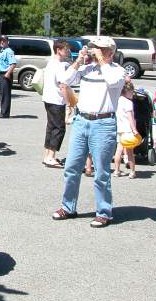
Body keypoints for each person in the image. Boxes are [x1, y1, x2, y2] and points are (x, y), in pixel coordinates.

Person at [52, 36, 125, 228]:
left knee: (101, 172)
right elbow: (64, 80)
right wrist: (79, 60)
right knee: (72, 168)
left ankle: (104, 212)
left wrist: (101, 60)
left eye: (100, 49)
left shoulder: (117, 71)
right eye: (95, 48)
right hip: (81, 121)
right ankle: (68, 207)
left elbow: (112, 81)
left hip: (103, 123)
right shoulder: (87, 69)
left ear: (110, 52)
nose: (96, 51)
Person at [42, 39, 71, 168]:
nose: (68, 51)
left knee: (51, 127)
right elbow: (62, 86)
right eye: (66, 49)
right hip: (56, 100)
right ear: (58, 50)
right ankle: (51, 157)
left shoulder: (51, 63)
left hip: (48, 98)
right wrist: (69, 103)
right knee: (59, 128)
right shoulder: (58, 65)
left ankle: (47, 155)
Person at [112, 81, 140, 179]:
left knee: (118, 150)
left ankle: (116, 170)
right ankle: (132, 172)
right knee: (130, 152)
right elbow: (130, 117)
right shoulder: (128, 102)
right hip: (128, 129)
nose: (132, 94)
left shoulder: (117, 100)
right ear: (127, 91)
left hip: (119, 129)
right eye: (132, 92)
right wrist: (134, 129)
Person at [0, 35, 16, 118]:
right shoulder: (2, 51)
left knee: (5, 94)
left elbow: (13, 64)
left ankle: (5, 113)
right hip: (1, 74)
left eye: (4, 41)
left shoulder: (9, 51)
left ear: (7, 42)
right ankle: (3, 111)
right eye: (1, 40)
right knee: (2, 93)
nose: (2, 42)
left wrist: (8, 73)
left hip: (6, 74)